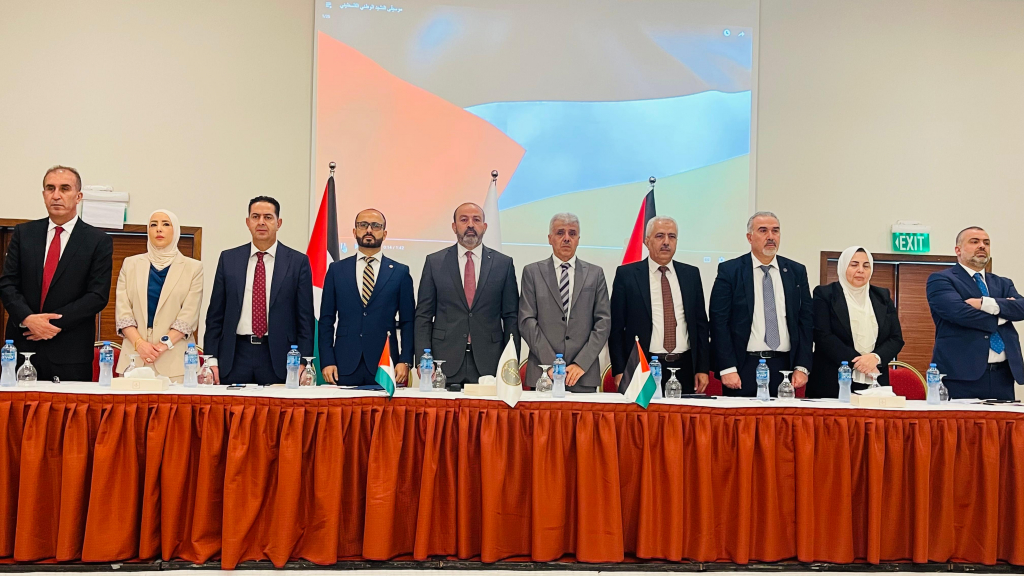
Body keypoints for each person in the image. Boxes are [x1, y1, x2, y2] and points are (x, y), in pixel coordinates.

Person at [0, 166, 113, 382]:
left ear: (78, 196)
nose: (56, 195)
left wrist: (51, 324)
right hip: (23, 346)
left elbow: (97, 296)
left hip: (70, 351)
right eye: (50, 188)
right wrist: (28, 318)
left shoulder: (97, 240)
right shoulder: (24, 234)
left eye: (65, 188)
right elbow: (7, 284)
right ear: (43, 194)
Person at [204, 196, 315, 385]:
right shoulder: (229, 259)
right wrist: (211, 360)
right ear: (248, 222)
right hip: (234, 355)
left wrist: (303, 361)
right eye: (255, 217)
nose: (261, 222)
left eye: (268, 217)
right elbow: (215, 315)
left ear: (279, 223)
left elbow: (305, 318)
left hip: (281, 358)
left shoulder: (297, 262)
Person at [415, 202, 519, 388]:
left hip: (490, 362)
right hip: (443, 361)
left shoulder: (503, 264)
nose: (470, 225)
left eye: (476, 220)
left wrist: (511, 360)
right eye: (464, 220)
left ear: (484, 227)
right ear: (454, 226)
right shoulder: (435, 262)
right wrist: (424, 358)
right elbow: (423, 315)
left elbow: (511, 317)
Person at [709, 211, 813, 396]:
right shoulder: (731, 271)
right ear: (749, 237)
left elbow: (806, 320)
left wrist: (802, 366)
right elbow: (719, 322)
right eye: (763, 231)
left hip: (785, 367)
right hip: (743, 366)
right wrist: (727, 367)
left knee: (782, 416)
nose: (770, 236)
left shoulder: (796, 271)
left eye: (775, 231)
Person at [610, 216, 710, 395]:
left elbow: (701, 325)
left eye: (672, 236)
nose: (666, 242)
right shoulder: (627, 275)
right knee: (644, 414)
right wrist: (619, 370)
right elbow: (616, 328)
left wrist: (702, 368)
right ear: (647, 241)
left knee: (683, 415)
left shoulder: (691, 274)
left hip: (685, 367)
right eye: (659, 236)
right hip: (642, 366)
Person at [319, 209, 414, 388]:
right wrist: (327, 360)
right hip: (343, 363)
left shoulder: (400, 272)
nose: (369, 230)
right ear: (354, 231)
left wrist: (405, 360)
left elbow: (408, 321)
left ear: (384, 234)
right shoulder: (336, 270)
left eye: (376, 226)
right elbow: (326, 320)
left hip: (385, 364)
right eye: (363, 225)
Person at [927, 227, 1024, 400]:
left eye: (986, 243)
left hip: (1004, 374)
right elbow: (959, 313)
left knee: (1003, 419)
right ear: (958, 250)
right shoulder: (942, 279)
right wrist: (1004, 313)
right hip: (961, 376)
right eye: (974, 241)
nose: (982, 246)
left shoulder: (1003, 283)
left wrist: (984, 303)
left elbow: (1021, 309)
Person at [519, 213, 610, 392]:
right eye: (560, 233)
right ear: (550, 238)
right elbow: (526, 321)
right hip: (544, 373)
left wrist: (581, 363)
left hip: (582, 374)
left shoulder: (595, 274)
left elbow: (603, 322)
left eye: (572, 233)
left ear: (578, 240)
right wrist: (551, 364)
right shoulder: (532, 272)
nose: (566, 238)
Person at [114, 210, 204, 381]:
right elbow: (123, 311)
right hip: (134, 358)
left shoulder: (193, 268)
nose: (159, 229)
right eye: (153, 224)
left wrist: (162, 346)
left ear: (175, 230)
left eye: (166, 224)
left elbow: (189, 315)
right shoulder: (130, 264)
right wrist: (140, 345)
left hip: (175, 360)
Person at [807, 246, 904, 397]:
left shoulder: (882, 296)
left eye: (866, 266)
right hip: (832, 379)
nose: (860, 270)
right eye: (854, 265)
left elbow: (896, 338)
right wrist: (860, 363)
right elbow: (823, 336)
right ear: (843, 267)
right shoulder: (825, 294)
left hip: (874, 376)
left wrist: (875, 358)